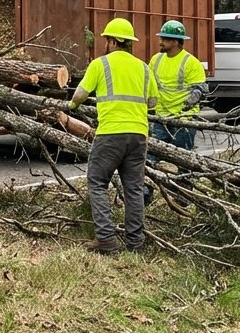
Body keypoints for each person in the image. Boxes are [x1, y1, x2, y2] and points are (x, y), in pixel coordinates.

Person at [70, 17, 156, 254]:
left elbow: (79, 95)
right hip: (138, 135)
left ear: (113, 41)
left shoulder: (101, 64)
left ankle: (106, 239)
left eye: (107, 39)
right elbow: (152, 103)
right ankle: (135, 243)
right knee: (134, 189)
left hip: (110, 134)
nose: (105, 43)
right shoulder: (144, 68)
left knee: (97, 183)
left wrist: (71, 107)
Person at [148, 19, 207, 153]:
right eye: (161, 38)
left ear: (176, 42)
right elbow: (148, 86)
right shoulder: (155, 59)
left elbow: (199, 90)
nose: (160, 42)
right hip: (161, 118)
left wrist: (185, 108)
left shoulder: (191, 63)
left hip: (184, 120)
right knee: (153, 158)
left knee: (183, 160)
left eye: (165, 39)